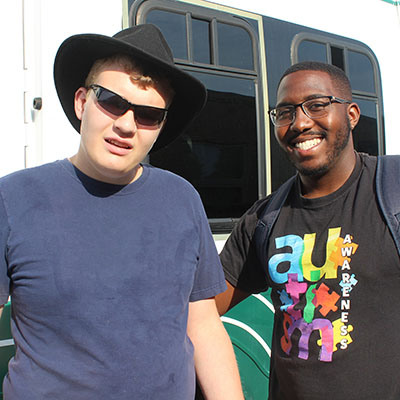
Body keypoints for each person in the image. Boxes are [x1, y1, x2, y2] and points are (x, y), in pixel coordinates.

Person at [0, 24, 244, 399]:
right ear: (82, 101)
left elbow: (204, 324)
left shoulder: (182, 199)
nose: (126, 125)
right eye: (112, 101)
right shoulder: (13, 198)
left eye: (148, 114)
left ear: (160, 128)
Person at [216, 61, 400, 399]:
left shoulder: (393, 192)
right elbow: (199, 310)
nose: (299, 123)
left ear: (352, 114)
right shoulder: (264, 220)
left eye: (317, 105)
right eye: (284, 112)